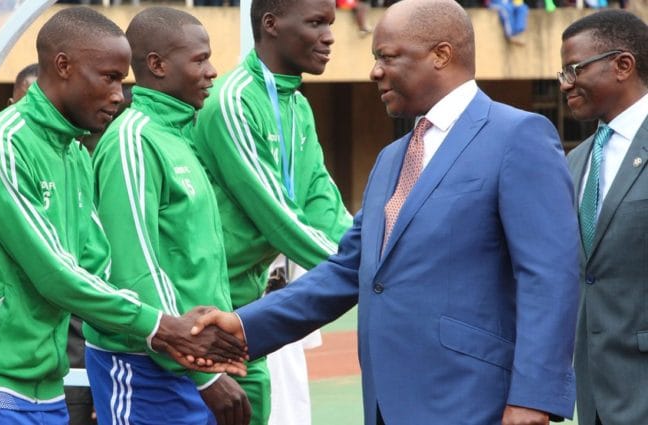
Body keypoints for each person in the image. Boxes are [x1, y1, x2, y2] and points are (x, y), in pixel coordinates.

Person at [191, 0, 580, 424]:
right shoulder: (392, 159)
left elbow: (549, 276)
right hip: (386, 404)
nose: (374, 71)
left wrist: (533, 398)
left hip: (473, 400)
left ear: (441, 55)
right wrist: (244, 326)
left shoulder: (517, 135)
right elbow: (348, 269)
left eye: (387, 57)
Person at [0, 7, 245, 424]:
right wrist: (160, 326)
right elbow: (55, 274)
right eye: (109, 77)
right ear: (63, 66)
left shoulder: (74, 153)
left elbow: (98, 265)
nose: (119, 94)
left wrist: (181, 333)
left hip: (48, 385)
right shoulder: (1, 145)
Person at [84, 7, 250, 425]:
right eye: (200, 59)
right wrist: (201, 370)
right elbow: (135, 267)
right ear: (157, 65)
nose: (212, 71)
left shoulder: (178, 137)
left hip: (194, 364)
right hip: (146, 367)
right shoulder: (133, 140)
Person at [191, 0, 353, 422]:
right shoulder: (233, 101)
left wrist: (368, 256)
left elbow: (322, 202)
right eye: (317, 23)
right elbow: (276, 215)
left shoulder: (297, 106)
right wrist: (368, 274)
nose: (330, 36)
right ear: (272, 24)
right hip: (203, 317)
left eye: (331, 23)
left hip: (252, 313)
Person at [560, 10, 648, 425]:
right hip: (595, 397)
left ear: (623, 65)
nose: (565, 83)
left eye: (575, 69)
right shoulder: (574, 163)